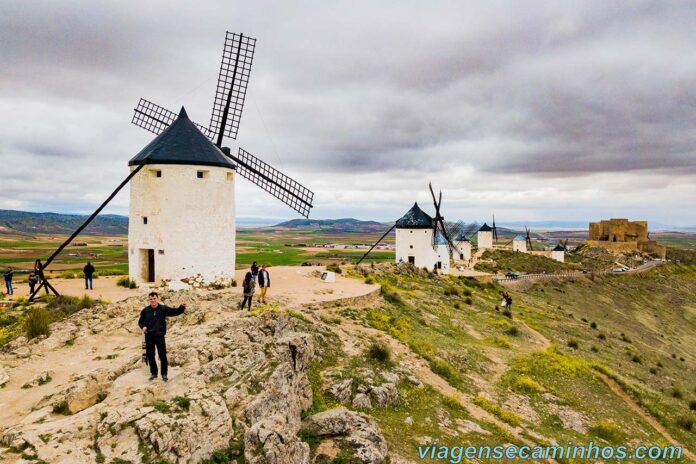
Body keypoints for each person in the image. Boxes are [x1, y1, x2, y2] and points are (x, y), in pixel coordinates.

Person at [137, 292, 186, 382]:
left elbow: (175, 312)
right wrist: (143, 327)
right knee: (151, 355)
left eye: (154, 298)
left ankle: (164, 374)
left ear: (158, 299)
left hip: (159, 336)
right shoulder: (145, 310)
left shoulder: (163, 308)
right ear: (149, 300)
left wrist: (182, 306)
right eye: (151, 299)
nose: (152, 300)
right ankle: (154, 373)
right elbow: (140, 322)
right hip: (149, 336)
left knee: (162, 355)